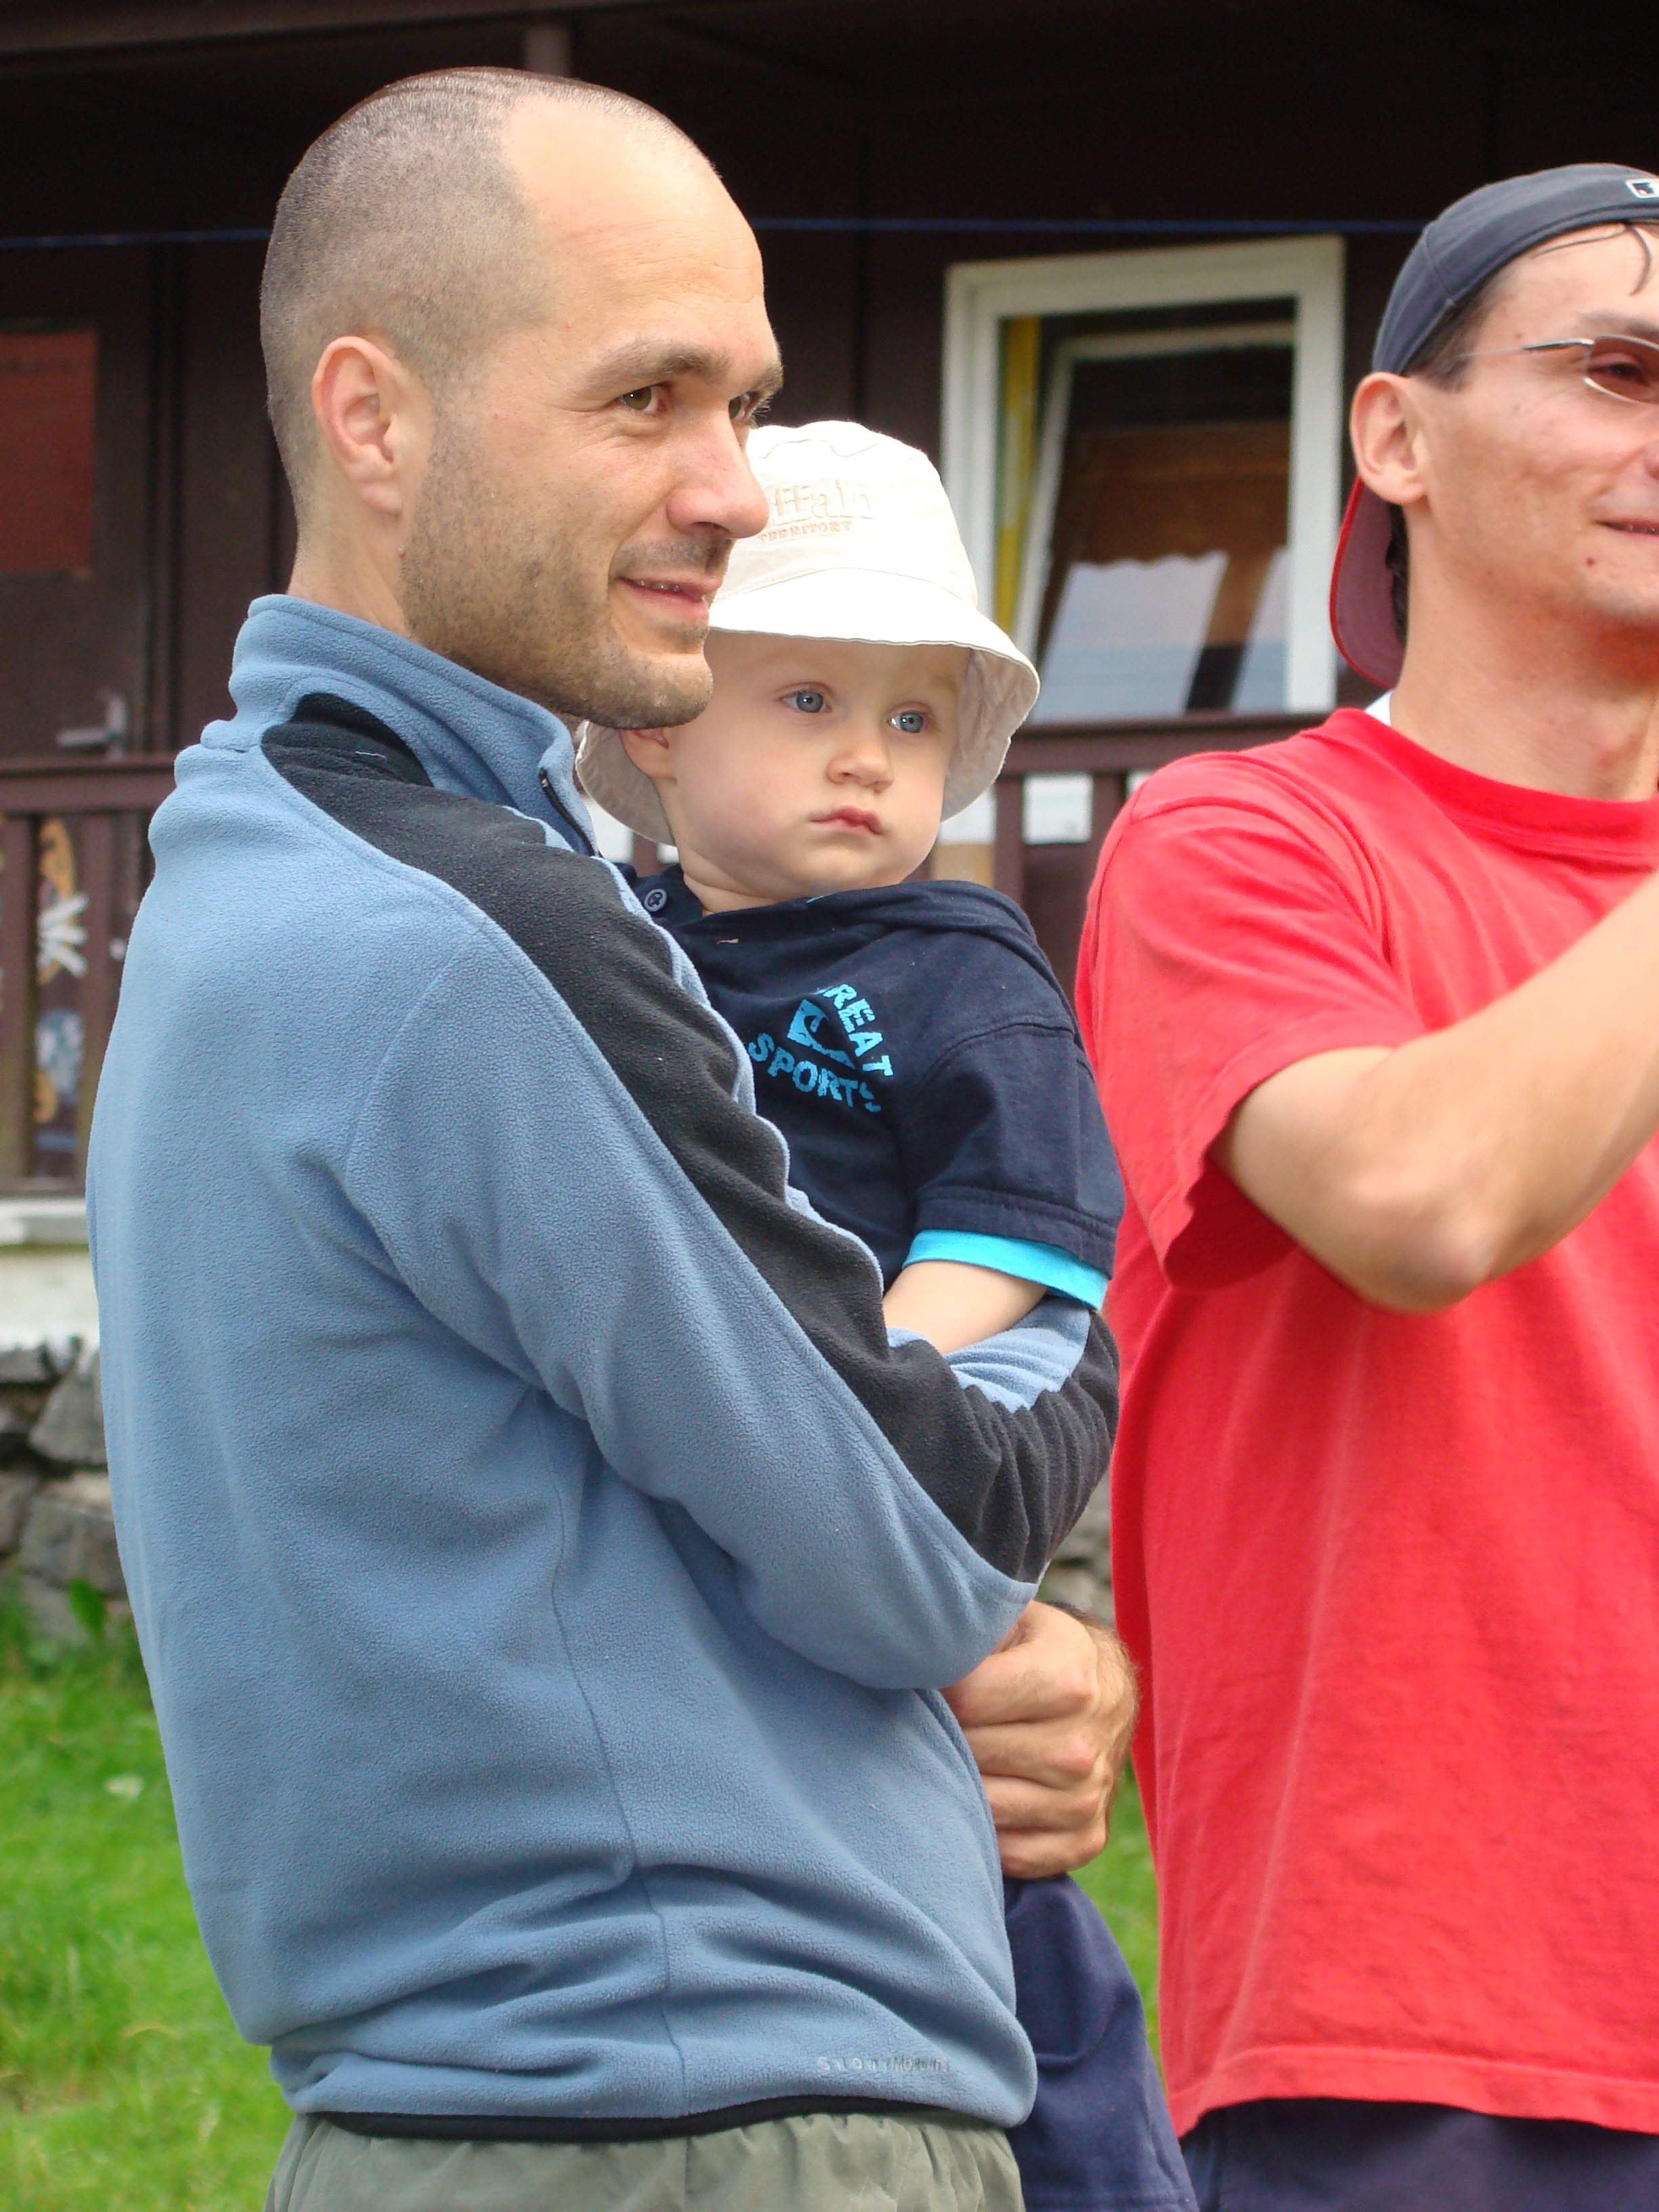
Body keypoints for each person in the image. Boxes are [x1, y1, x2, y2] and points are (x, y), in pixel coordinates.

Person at [87, 68, 1132, 2212]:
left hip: (489, 2100)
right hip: (705, 2121)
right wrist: (1072, 1295)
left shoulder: (241, 860)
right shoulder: (476, 929)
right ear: (376, 421)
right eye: (647, 397)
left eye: (746, 402)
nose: (733, 490)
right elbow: (928, 1529)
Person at [1078, 163, 1659, 2212]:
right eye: (1619, 371)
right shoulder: (1237, 846)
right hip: (1421, 2021)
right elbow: (1421, 1200)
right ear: (1396, 437)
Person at [578, 417, 1195, 2212]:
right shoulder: (611, 947)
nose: (868, 757)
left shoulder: (955, 963)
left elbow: (1028, 1220)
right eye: (808, 702)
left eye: (915, 722)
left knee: (967, 1813)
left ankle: (1092, 2161)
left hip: (951, 1365)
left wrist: (869, 1395)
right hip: (727, 1412)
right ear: (662, 727)